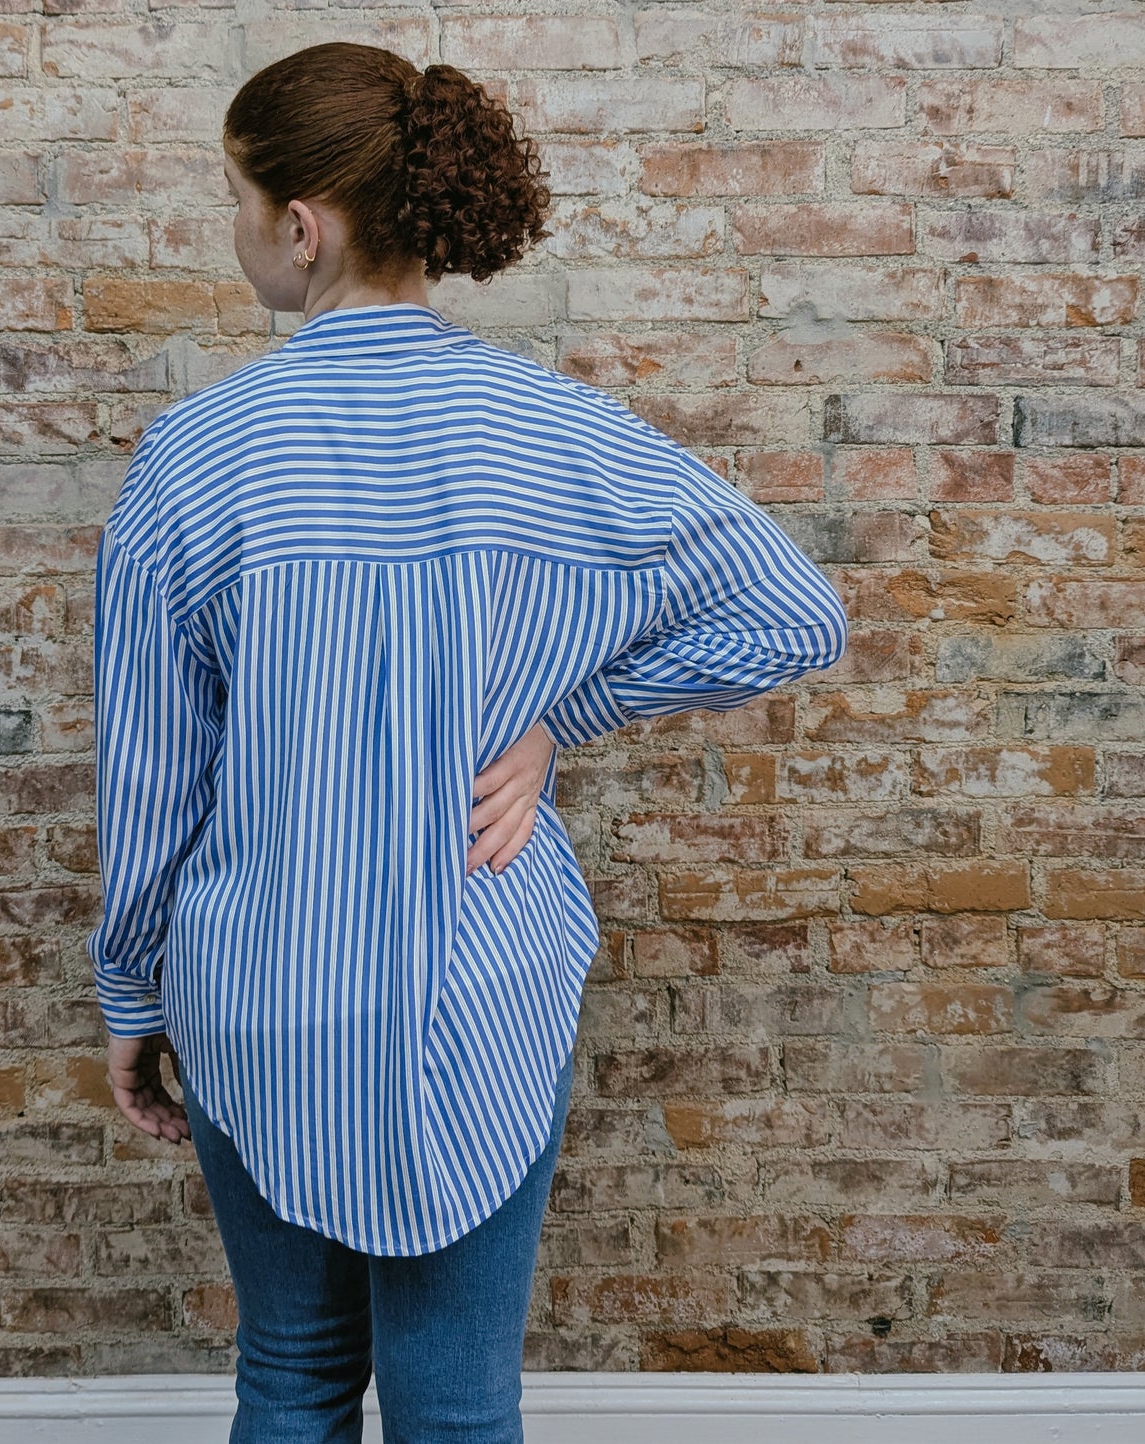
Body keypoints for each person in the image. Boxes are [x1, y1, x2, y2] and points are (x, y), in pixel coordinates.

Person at [87, 40, 849, 1444]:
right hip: (482, 985)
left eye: (238, 203)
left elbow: (150, 774)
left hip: (258, 992)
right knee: (455, 1404)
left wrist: (132, 999)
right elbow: (795, 617)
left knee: (291, 1376)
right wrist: (562, 715)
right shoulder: (558, 431)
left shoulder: (193, 456)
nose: (239, 231)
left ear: (299, 226)